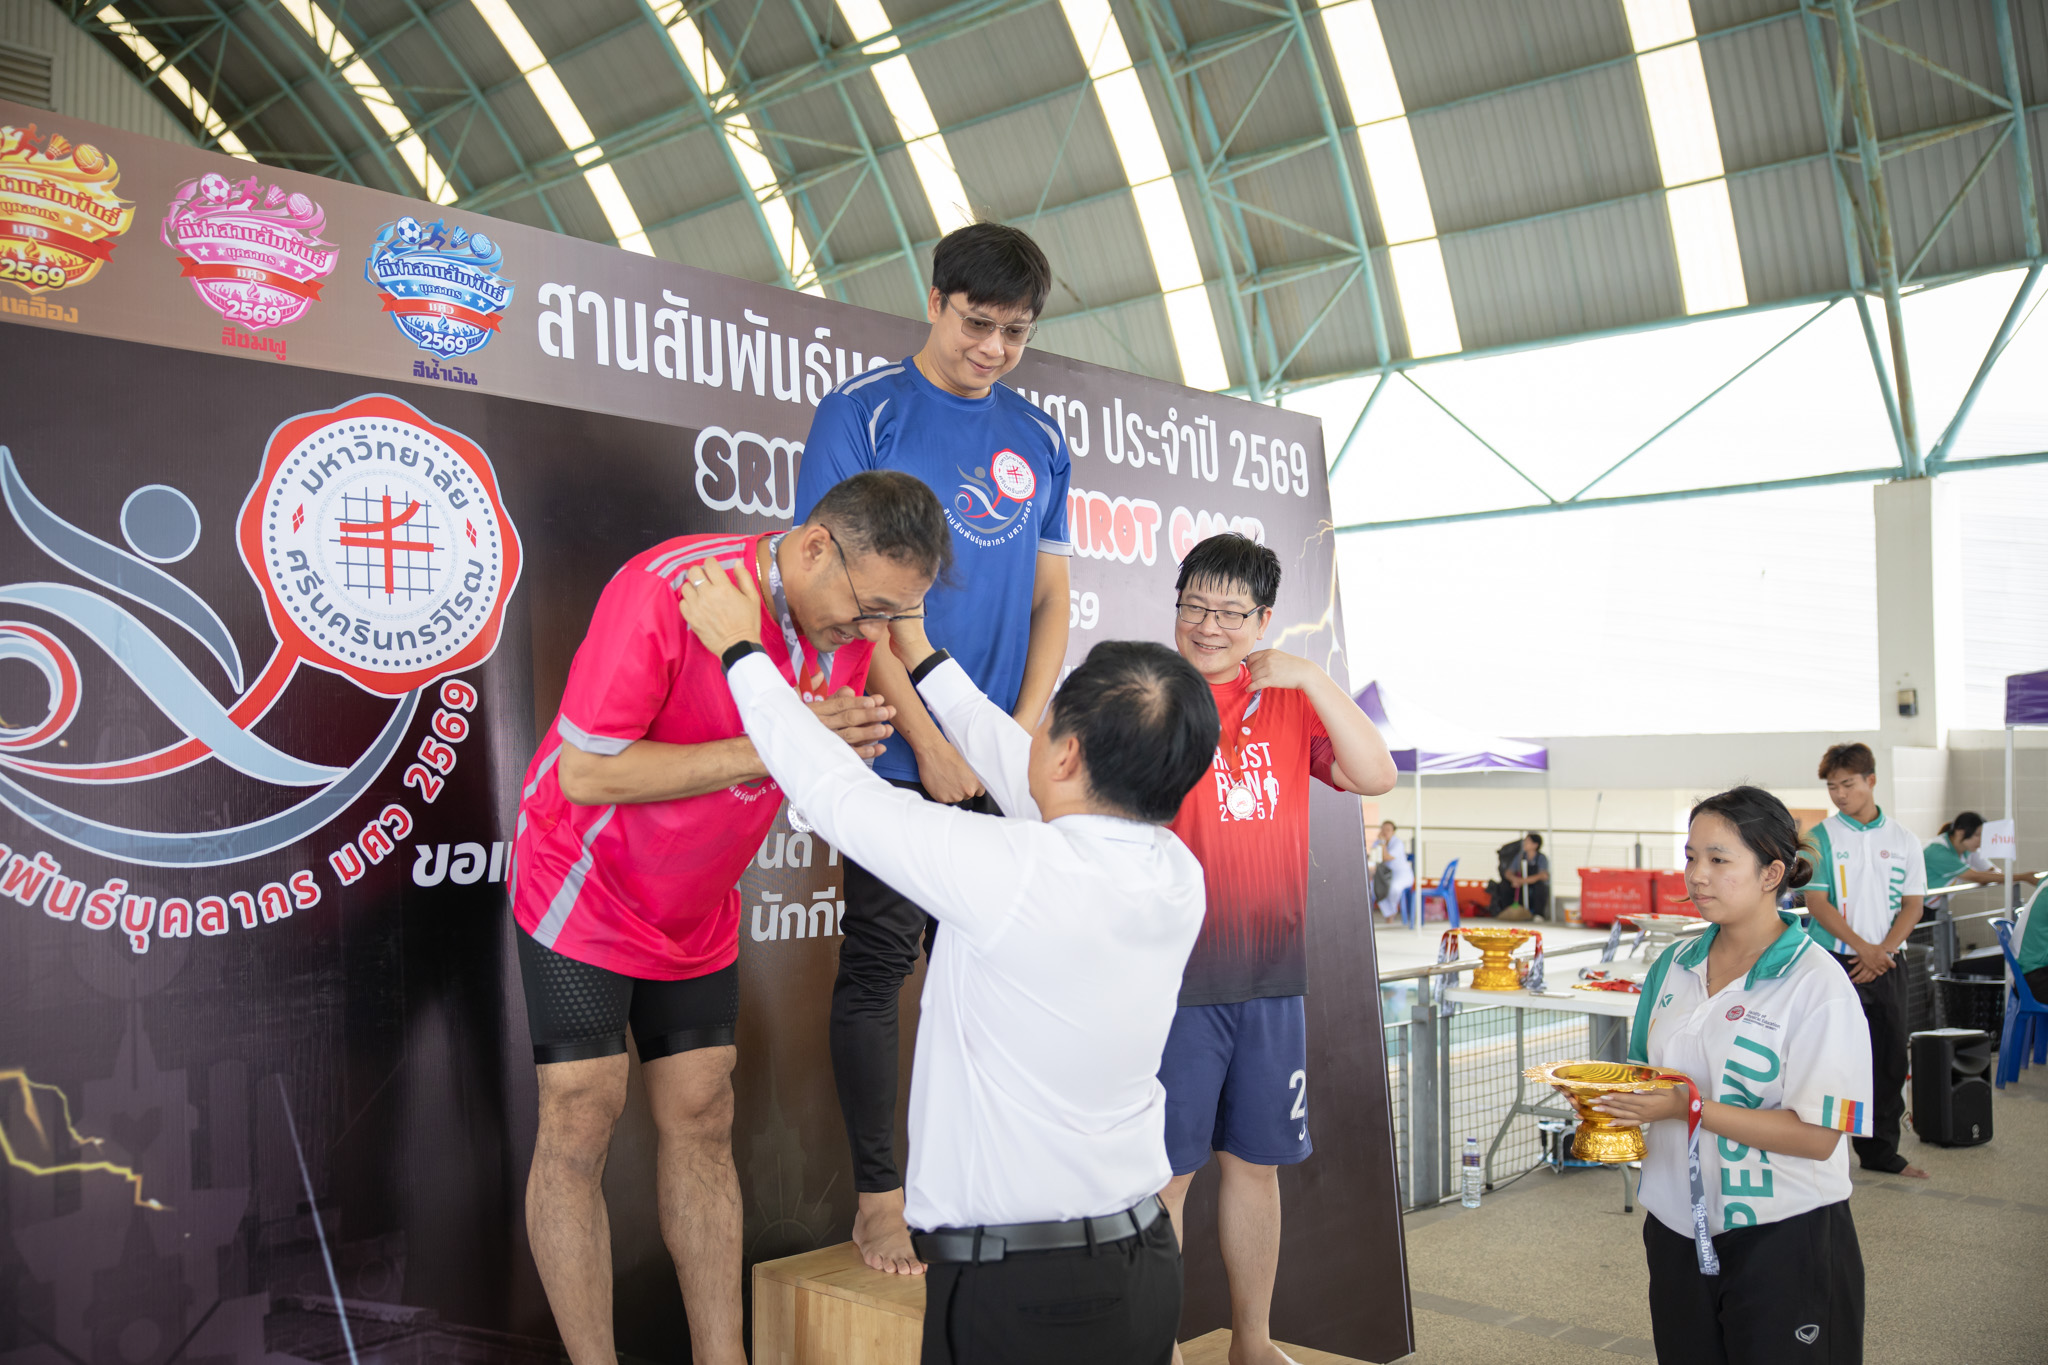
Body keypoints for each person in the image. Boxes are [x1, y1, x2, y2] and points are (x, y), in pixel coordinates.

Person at [675, 553, 1217, 1365]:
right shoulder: (1176, 874)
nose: (1029, 741)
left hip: (1023, 1297)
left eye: (1047, 729)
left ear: (1066, 755)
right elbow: (1016, 762)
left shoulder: (1012, 870)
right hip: (1143, 1263)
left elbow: (840, 797)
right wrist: (922, 654)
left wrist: (740, 650)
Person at [507, 473, 951, 1365]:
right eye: (868, 609)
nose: (873, 635)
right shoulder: (672, 591)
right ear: (816, 547)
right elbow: (586, 774)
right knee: (582, 1111)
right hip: (585, 880)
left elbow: (842, 710)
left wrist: (918, 752)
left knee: (705, 1109)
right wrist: (781, 745)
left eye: (893, 617)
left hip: (698, 897)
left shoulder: (848, 626)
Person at [793, 220, 1072, 1274]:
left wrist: (1015, 734)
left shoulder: (1040, 436)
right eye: (976, 322)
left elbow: (1051, 595)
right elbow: (839, 600)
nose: (992, 348)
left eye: (1015, 332)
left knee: (994, 981)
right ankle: (879, 1200)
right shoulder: (861, 413)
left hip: (996, 755)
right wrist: (931, 740)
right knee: (877, 973)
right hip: (892, 753)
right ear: (934, 301)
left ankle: (979, 1185)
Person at [1154, 535, 1397, 1365]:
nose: (1208, 625)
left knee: (1257, 1166)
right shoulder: (1146, 694)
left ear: (1263, 620)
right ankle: (1157, 1345)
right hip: (1172, 982)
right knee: (1163, 1179)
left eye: (1230, 611)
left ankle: (1252, 1340)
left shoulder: (1290, 701)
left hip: (1270, 980)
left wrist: (1314, 679)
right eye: (1195, 605)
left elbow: (1375, 775)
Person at [1600, 786, 1871, 1365]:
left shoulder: (1817, 984)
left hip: (1784, 1231)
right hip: (1676, 1224)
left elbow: (1819, 1137)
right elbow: (1643, 1073)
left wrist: (1688, 1108)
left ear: (1772, 873)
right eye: (1691, 856)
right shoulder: (1674, 965)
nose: (1697, 876)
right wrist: (1607, 1105)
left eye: (1719, 859)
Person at [1795, 741, 1928, 1180]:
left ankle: (1880, 1153)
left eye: (1848, 784)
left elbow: (1913, 905)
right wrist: (1863, 948)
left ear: (1870, 780)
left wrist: (1881, 951)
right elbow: (1817, 902)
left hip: (1887, 964)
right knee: (1828, 1059)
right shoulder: (1821, 837)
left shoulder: (1904, 839)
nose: (1840, 794)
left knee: (1890, 1059)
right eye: (1832, 787)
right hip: (1835, 962)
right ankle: (1818, 1148)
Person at [1922, 811, 2036, 911]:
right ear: (1960, 832)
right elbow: (1975, 876)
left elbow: (1992, 871)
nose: (1981, 841)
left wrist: (1992, 877)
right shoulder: (1938, 851)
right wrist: (2024, 877)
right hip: (1921, 907)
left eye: (1983, 835)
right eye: (1977, 835)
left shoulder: (1968, 849)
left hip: (1937, 907)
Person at [1502, 833, 1550, 921]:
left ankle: (1538, 914)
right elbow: (1508, 872)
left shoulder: (1541, 858)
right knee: (1505, 885)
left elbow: (1543, 875)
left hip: (1534, 887)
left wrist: (1521, 881)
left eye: (1527, 841)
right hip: (1521, 886)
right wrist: (1514, 879)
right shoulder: (1520, 856)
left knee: (1540, 886)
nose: (1524, 843)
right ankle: (1510, 912)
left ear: (1535, 845)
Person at [1372, 819, 1412, 920]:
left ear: (1393, 832)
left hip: (1401, 874)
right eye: (1383, 829)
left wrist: (1382, 843)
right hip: (1384, 875)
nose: (1385, 832)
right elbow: (1374, 857)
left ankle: (1391, 913)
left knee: (1394, 888)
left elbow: (1386, 857)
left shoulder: (1397, 843)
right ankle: (1388, 913)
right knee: (1373, 888)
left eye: (1388, 830)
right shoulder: (1377, 843)